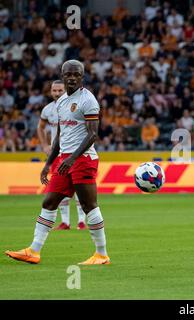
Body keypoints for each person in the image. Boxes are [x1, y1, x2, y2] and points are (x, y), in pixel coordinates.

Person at [5, 60, 110, 265]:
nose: (71, 77)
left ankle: (102, 254)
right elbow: (60, 136)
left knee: (89, 205)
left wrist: (72, 158)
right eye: (68, 74)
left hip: (83, 159)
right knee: (49, 201)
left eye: (76, 74)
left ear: (82, 77)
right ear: (62, 75)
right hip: (64, 159)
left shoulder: (88, 100)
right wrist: (48, 163)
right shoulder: (61, 102)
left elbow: (93, 135)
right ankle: (34, 251)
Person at [37, 80, 86, 230]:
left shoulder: (75, 105)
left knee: (79, 186)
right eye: (54, 90)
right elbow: (41, 127)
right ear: (50, 91)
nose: (57, 93)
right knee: (58, 189)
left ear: (65, 90)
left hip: (74, 152)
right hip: (57, 153)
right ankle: (65, 222)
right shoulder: (47, 109)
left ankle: (81, 221)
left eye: (60, 90)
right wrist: (45, 145)